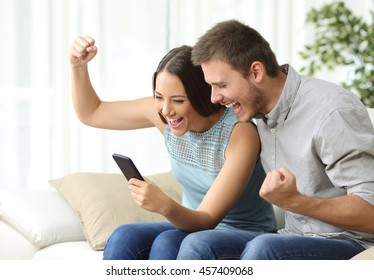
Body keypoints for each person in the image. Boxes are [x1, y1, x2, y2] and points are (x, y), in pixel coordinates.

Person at [177, 19, 374, 260]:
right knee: (199, 243)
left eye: (221, 85)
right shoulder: (256, 111)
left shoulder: (332, 111)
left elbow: (371, 211)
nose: (214, 97)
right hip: (292, 236)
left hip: (350, 242)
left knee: (264, 249)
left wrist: (296, 202)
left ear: (256, 72)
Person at [69, 36, 276, 260]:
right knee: (124, 236)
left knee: (169, 241)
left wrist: (165, 205)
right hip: (191, 227)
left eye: (178, 100)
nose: (166, 110)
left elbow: (207, 218)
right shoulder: (164, 116)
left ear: (203, 96)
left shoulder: (240, 133)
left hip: (243, 234)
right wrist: (78, 67)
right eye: (159, 97)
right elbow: (92, 113)